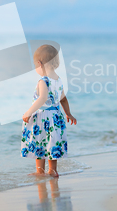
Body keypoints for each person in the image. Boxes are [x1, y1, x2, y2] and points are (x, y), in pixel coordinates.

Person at [21, 44, 77, 177]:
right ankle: (52, 170)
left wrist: (28, 112)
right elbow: (63, 99)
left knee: (40, 141)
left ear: (39, 64)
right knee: (52, 141)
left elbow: (42, 98)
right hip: (56, 116)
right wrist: (68, 114)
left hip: (43, 117)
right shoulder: (58, 80)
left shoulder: (43, 81)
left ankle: (40, 170)